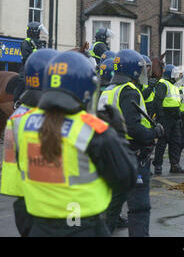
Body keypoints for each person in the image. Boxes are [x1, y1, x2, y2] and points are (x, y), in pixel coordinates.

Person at [2, 51, 137, 237]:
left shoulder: (22, 122)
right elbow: (127, 177)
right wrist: (119, 134)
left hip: (39, 224)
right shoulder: (91, 130)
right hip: (83, 225)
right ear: (85, 90)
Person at [99, 49, 164, 237]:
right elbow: (133, 130)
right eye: (141, 70)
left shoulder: (108, 90)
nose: (144, 73)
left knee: (111, 209)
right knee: (139, 209)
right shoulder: (129, 91)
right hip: (133, 157)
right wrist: (154, 132)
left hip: (112, 154)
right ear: (133, 71)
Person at [0, 49, 58, 237]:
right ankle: (17, 99)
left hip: (22, 197)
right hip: (48, 199)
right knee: (20, 80)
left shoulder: (17, 118)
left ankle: (19, 100)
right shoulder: (57, 117)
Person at [150, 64, 184, 175]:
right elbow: (157, 101)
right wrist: (160, 117)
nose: (178, 76)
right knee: (162, 143)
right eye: (176, 74)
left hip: (175, 118)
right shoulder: (163, 84)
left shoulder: (175, 85)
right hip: (166, 117)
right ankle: (158, 165)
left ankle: (174, 165)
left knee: (176, 142)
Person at [13, 22, 48, 103]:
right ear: (34, 32)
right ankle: (17, 100)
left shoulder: (40, 43)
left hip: (39, 68)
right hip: (28, 66)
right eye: (39, 31)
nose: (40, 33)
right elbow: (26, 56)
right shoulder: (26, 42)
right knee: (22, 80)